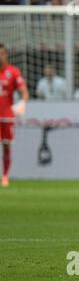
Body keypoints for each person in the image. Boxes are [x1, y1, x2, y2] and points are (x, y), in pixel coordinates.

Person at [0, 43, 29, 187]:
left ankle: (5, 176)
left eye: (2, 53)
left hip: (7, 116)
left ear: (6, 55)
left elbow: (24, 91)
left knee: (6, 146)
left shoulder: (13, 72)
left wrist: (22, 103)